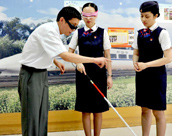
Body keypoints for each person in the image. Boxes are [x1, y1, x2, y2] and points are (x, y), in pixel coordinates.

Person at [18, 6, 110, 136]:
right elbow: (66, 55)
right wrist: (94, 60)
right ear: (62, 20)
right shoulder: (48, 31)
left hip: (41, 74)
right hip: (31, 75)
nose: (73, 30)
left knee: (41, 116)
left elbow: (45, 50)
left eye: (75, 27)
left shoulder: (55, 33)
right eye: (72, 26)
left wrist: (55, 61)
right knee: (32, 117)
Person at [68, 2, 113, 136]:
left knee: (98, 110)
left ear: (96, 15)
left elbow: (107, 56)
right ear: (82, 16)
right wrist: (78, 63)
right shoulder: (78, 33)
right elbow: (69, 53)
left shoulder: (103, 33)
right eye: (85, 15)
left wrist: (109, 76)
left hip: (99, 75)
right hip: (83, 75)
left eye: (91, 15)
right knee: (85, 110)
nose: (88, 18)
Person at [132, 1, 172, 136]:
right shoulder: (139, 34)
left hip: (157, 77)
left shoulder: (162, 33)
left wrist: (146, 65)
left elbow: (168, 58)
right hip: (142, 76)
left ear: (156, 15)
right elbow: (136, 53)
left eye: (147, 16)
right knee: (144, 110)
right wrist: (135, 63)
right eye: (141, 16)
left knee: (158, 112)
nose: (143, 19)